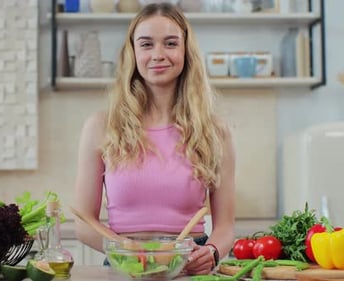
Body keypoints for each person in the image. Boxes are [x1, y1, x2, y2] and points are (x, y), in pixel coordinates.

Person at [73, 2, 235, 275]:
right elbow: (82, 222)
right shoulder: (102, 126)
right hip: (123, 263)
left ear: (186, 51)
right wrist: (128, 250)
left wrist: (212, 251)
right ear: (133, 53)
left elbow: (225, 226)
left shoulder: (215, 131)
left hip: (188, 265)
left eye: (170, 43)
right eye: (146, 44)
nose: (158, 54)